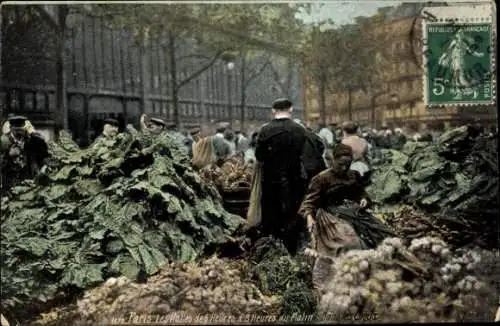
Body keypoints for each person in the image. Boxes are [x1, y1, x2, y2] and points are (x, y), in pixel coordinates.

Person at [298, 144, 370, 289]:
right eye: (341, 164)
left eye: (347, 165)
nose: (344, 168)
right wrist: (310, 217)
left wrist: (364, 199)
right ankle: (340, 278)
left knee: (376, 235)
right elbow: (308, 202)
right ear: (333, 160)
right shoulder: (322, 178)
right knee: (349, 241)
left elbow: (360, 192)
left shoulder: (353, 175)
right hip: (330, 215)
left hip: (351, 212)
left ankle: (361, 276)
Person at [253, 98, 309, 255]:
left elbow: (259, 156)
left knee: (272, 214)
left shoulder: (265, 130)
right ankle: (293, 249)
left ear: (273, 111)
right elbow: (305, 155)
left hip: (271, 180)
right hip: (294, 179)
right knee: (293, 213)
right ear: (291, 109)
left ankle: (272, 250)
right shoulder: (300, 130)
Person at [1, 116, 48, 194]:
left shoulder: (31, 140)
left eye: (21, 129)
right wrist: (8, 155)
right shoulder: (3, 141)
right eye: (16, 129)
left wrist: (34, 134)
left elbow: (43, 150)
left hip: (29, 181)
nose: (19, 132)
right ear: (11, 128)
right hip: (10, 184)